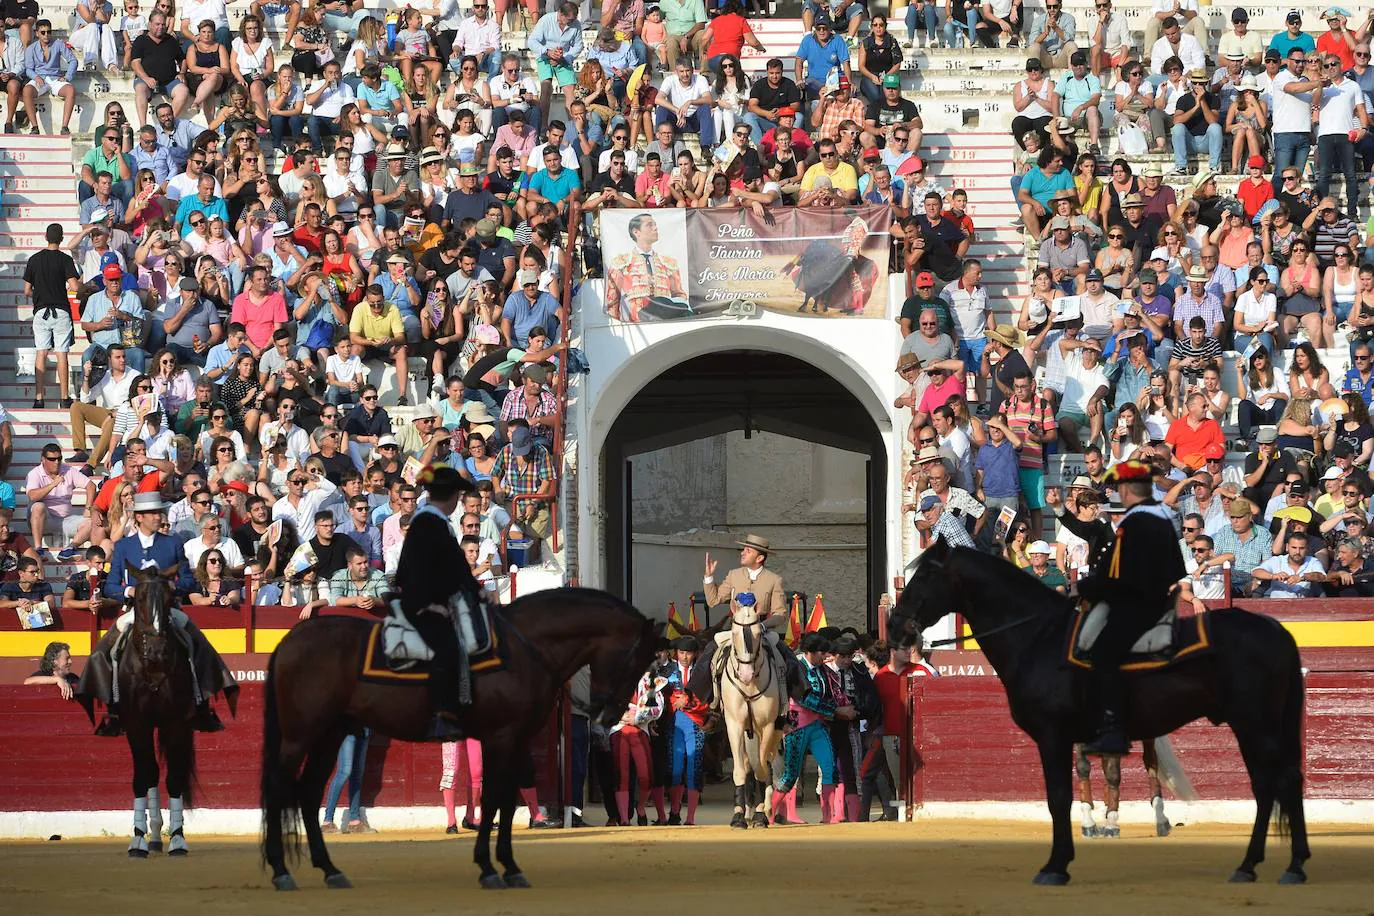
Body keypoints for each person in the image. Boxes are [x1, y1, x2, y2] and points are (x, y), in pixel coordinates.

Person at [1076, 460, 1186, 756]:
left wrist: (1087, 589)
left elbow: (1121, 578)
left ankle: (1114, 728)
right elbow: (1176, 570)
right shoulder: (1161, 516)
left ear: (1125, 489)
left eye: (1118, 487)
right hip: (1157, 601)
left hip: (1138, 606)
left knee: (1102, 651)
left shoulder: (1136, 522)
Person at [393, 465, 482, 739]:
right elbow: (416, 571)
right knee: (447, 647)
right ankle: (442, 713)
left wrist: (476, 593)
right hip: (420, 605)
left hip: (426, 601)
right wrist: (426, 604)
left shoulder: (430, 521)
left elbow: (450, 570)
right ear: (454, 496)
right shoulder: (430, 523)